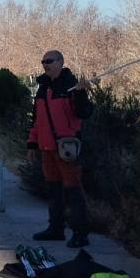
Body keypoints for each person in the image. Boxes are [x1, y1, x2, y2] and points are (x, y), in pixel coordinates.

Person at [28, 50, 93, 248]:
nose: (45, 64)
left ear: (61, 62)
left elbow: (84, 112)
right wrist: (32, 144)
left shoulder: (71, 85)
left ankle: (81, 233)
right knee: (54, 191)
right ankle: (56, 228)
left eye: (49, 61)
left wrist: (81, 93)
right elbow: (36, 120)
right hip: (47, 147)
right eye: (43, 61)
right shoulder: (42, 88)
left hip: (66, 148)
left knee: (74, 192)